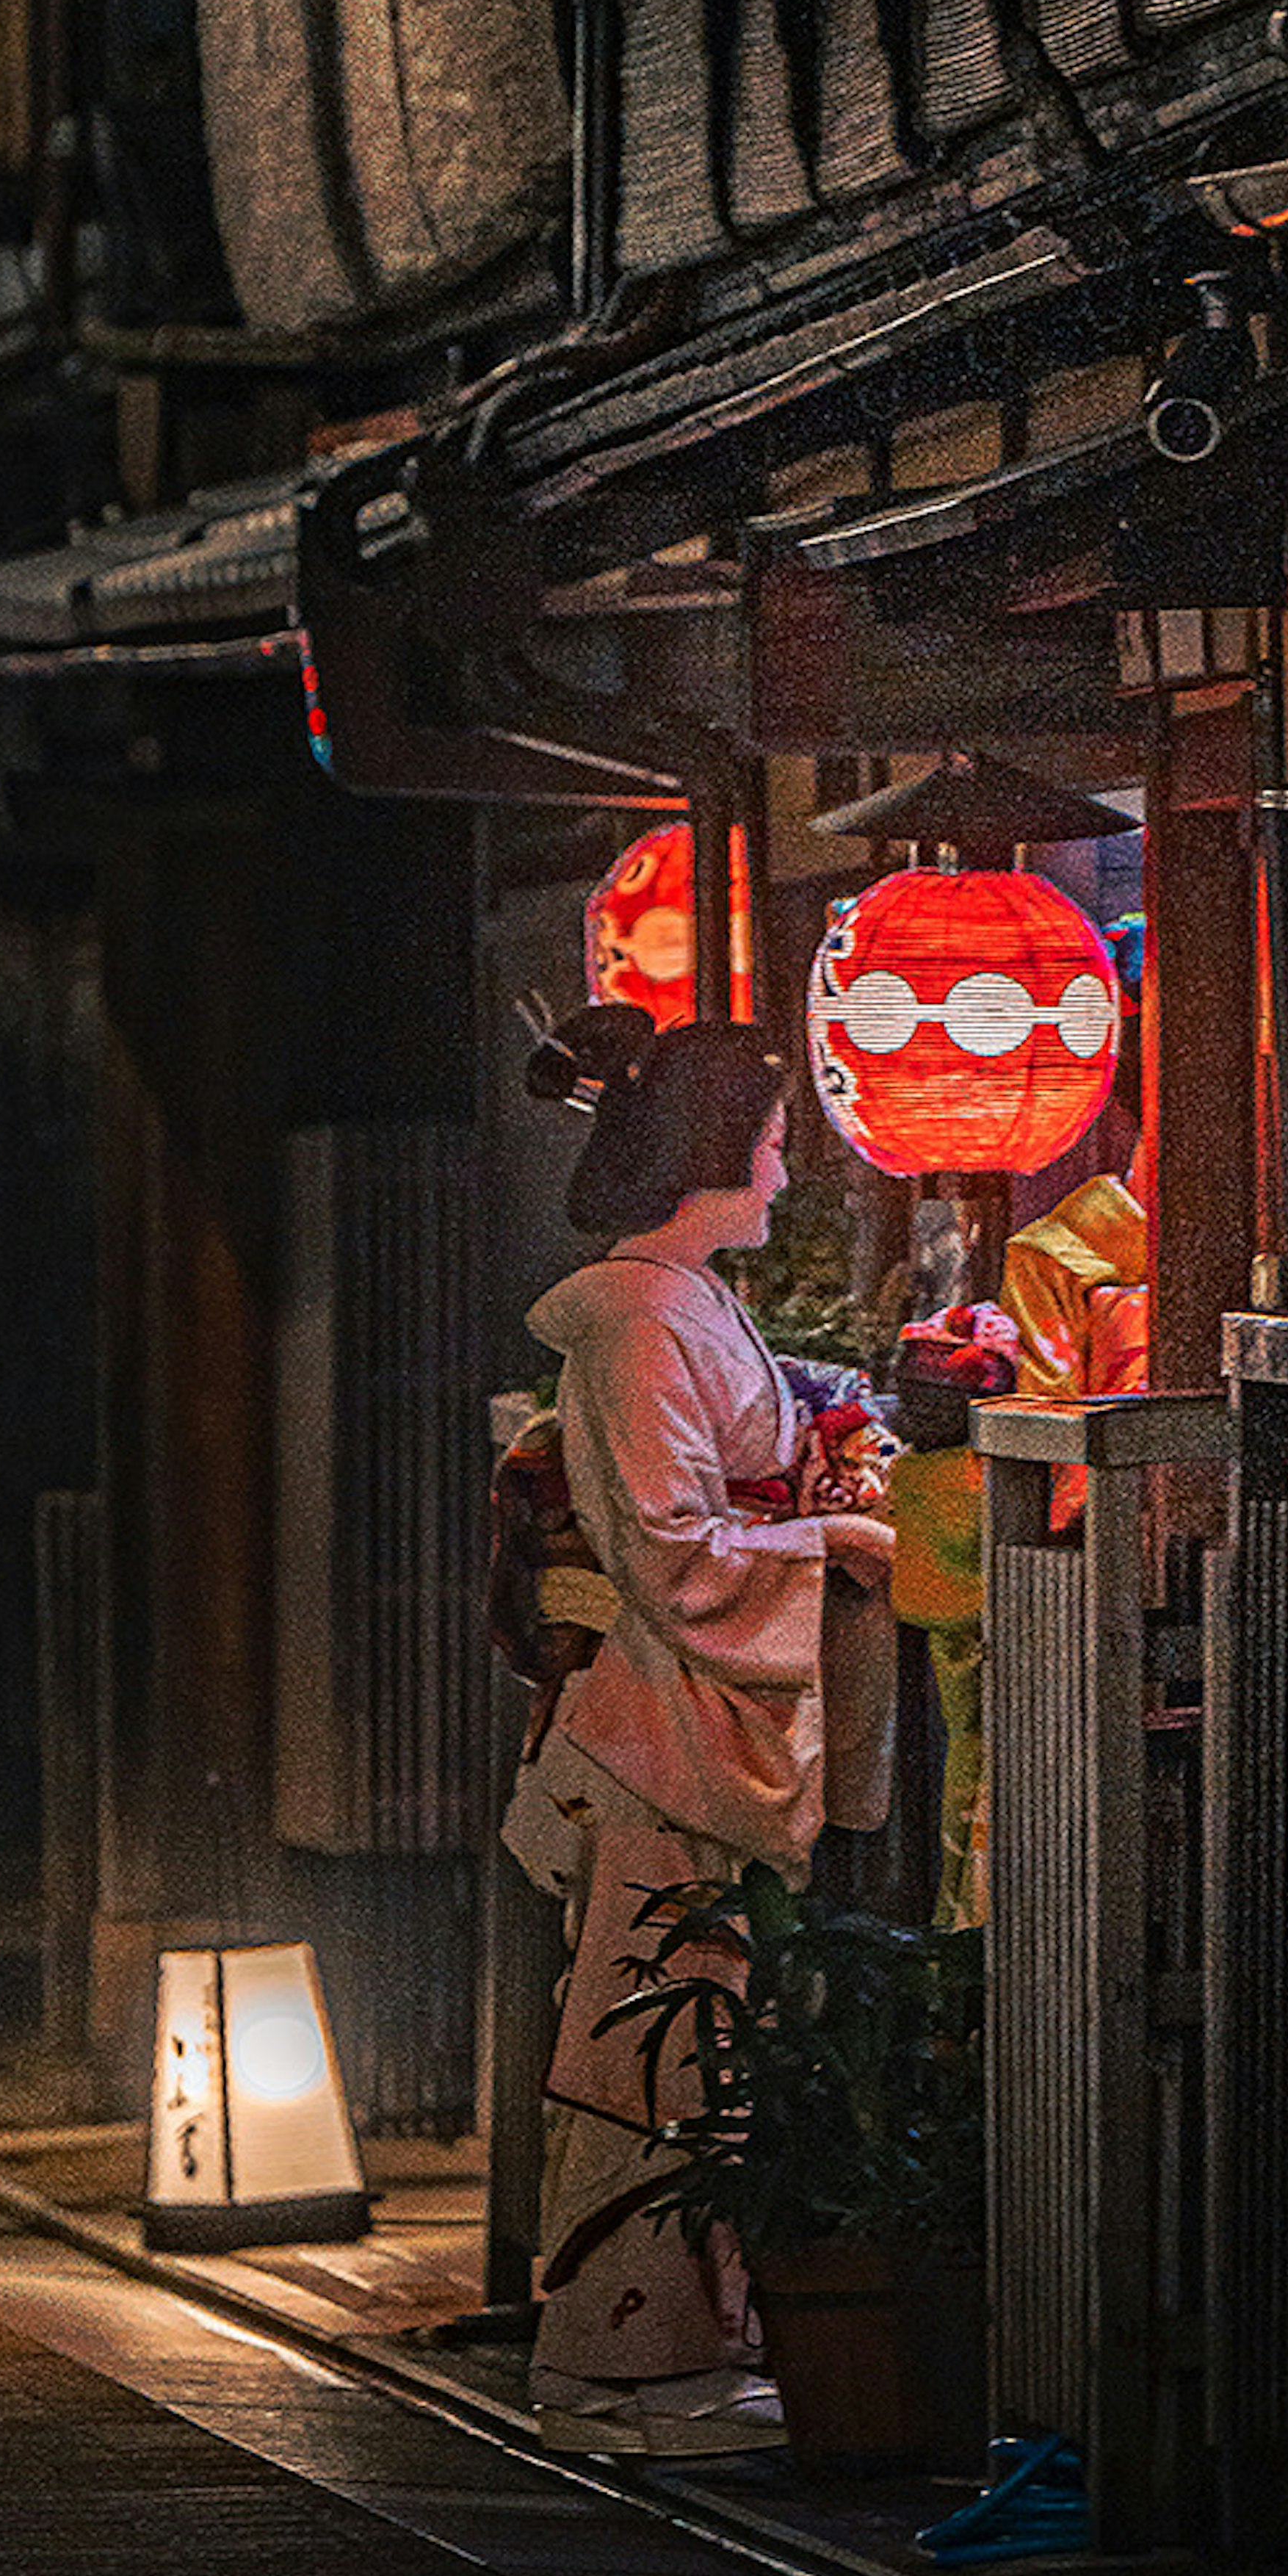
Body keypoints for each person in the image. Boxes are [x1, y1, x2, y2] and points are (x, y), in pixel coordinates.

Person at [503, 1006, 895, 2456]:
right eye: (778, 1145)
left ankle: (677, 2345)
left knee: (683, 2034)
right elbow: (671, 1551)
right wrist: (842, 1538)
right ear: (713, 1154)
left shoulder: (673, 1302)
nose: (789, 1176)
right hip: (662, 1727)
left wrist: (822, 1478)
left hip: (675, 1724)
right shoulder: (640, 1317)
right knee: (652, 2042)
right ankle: (622, 2361)